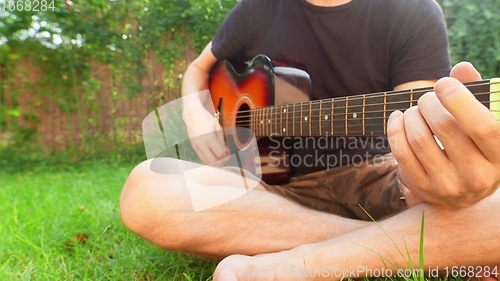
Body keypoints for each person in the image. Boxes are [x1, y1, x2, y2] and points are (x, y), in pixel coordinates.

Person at [119, 0, 500, 279]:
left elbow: (420, 137)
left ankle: (303, 263)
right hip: (268, 185)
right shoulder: (255, 9)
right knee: (148, 190)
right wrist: (195, 112)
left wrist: (441, 177)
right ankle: (416, 248)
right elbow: (199, 68)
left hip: (378, 178)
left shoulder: (413, 11)